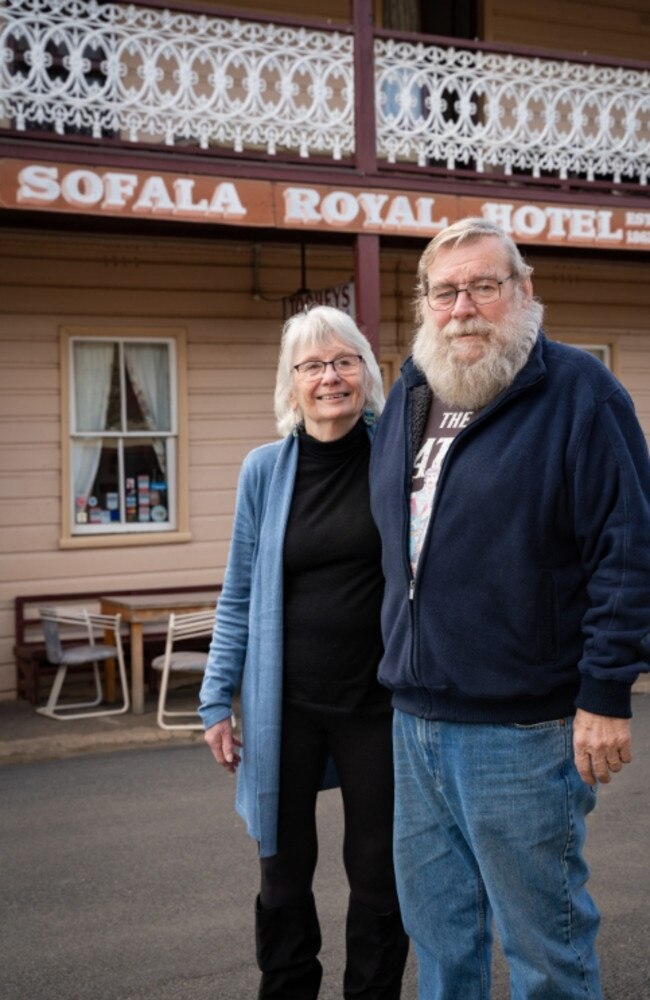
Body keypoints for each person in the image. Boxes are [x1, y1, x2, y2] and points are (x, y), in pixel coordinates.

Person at [368, 217, 650, 1000]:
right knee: (442, 940)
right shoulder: (412, 393)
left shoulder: (580, 394)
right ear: (425, 303)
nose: (462, 307)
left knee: (545, 951)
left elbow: (627, 551)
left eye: (483, 286)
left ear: (523, 292)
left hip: (522, 730)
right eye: (445, 291)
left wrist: (604, 693)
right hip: (415, 720)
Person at [199, 305, 408, 999]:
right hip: (284, 705)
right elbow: (236, 596)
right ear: (292, 384)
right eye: (313, 365)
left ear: (367, 375)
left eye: (345, 361)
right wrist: (214, 700)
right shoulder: (265, 470)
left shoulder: (396, 459)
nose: (330, 377)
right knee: (282, 869)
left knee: (378, 871)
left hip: (376, 703)